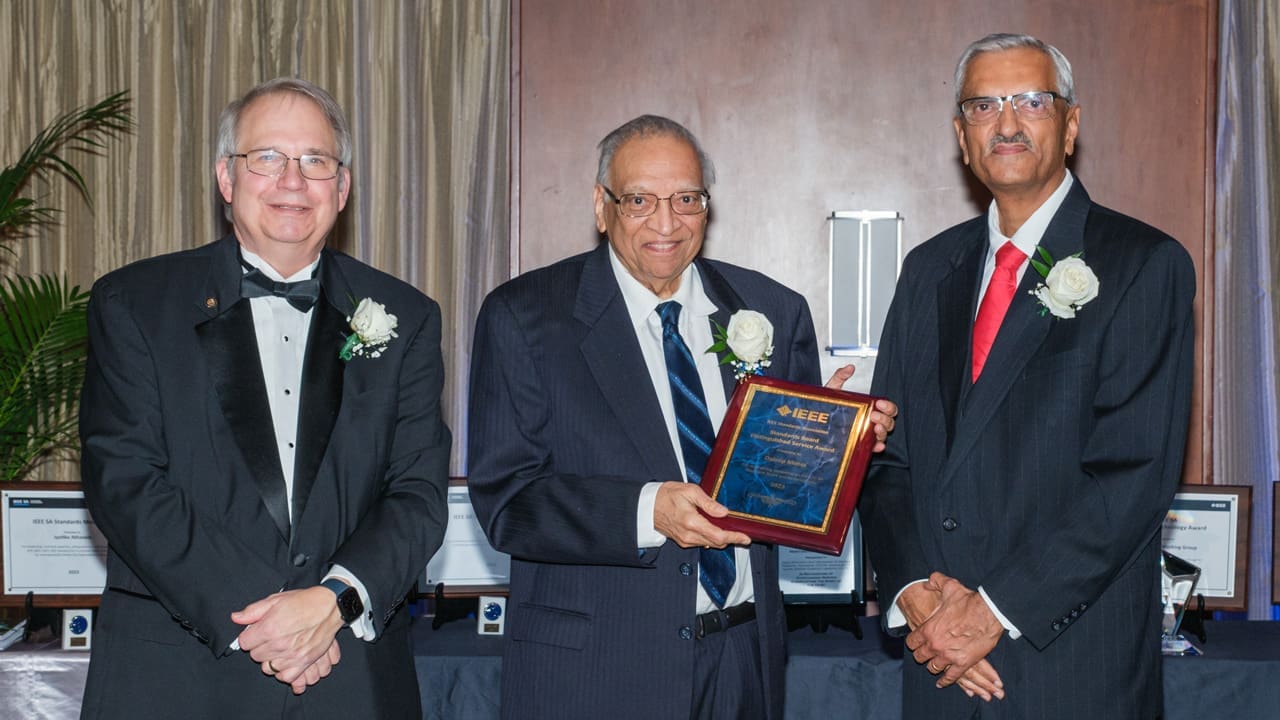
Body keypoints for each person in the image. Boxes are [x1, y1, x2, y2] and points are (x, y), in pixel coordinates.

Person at [467, 114, 894, 719]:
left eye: (686, 199)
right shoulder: (525, 317)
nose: (665, 223)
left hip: (745, 660)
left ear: (707, 206)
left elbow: (788, 497)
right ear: (601, 205)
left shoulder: (771, 309)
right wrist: (649, 512)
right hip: (595, 671)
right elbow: (508, 503)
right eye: (639, 200)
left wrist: (844, 446)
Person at [78, 78, 451, 719]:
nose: (293, 181)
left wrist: (333, 600)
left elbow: (417, 493)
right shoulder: (134, 303)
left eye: (316, 161)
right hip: (177, 676)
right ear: (227, 178)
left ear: (343, 187)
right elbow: (125, 482)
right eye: (268, 158)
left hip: (350, 678)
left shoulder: (405, 317)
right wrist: (276, 618)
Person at [860, 33, 1195, 719]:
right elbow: (888, 459)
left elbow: (1132, 478)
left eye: (1030, 102)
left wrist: (992, 612)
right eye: (983, 106)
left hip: (1069, 666)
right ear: (961, 135)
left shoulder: (1142, 264)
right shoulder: (928, 271)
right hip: (939, 667)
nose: (1006, 123)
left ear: (1070, 126)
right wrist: (917, 594)